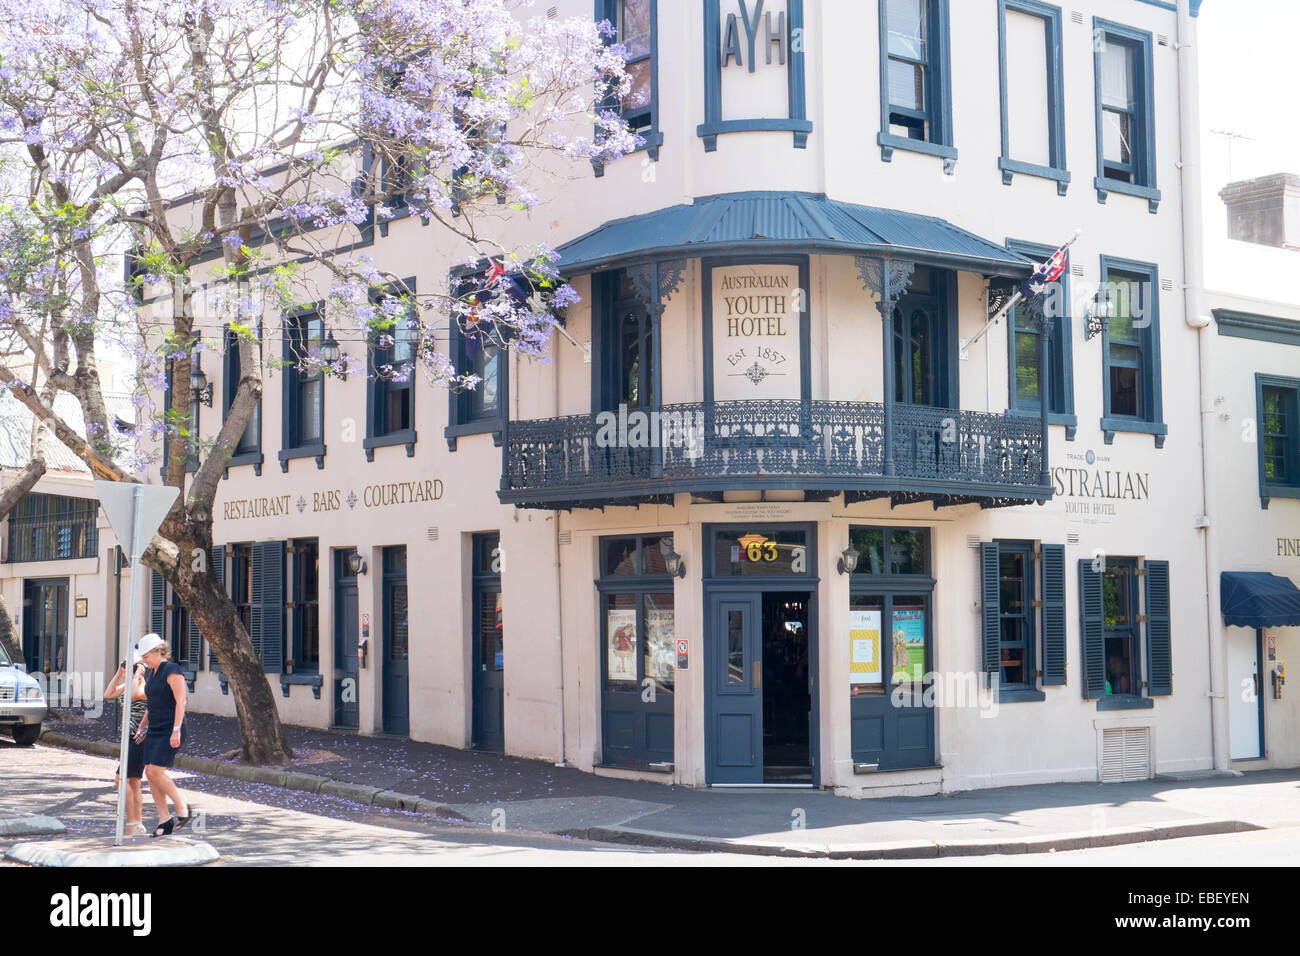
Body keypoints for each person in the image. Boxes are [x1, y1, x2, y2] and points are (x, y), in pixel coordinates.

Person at [136, 633, 192, 838]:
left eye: (146, 656)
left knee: (156, 772)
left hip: (171, 727)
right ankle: (164, 819)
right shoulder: (150, 673)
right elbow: (151, 703)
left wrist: (176, 729)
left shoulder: (172, 669)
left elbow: (181, 701)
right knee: (150, 773)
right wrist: (143, 726)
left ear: (158, 652)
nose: (144, 660)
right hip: (155, 728)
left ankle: (182, 806)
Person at [102, 658, 148, 836]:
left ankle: (132, 823)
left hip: (138, 737)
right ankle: (138, 824)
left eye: (131, 670)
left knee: (120, 779)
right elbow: (108, 693)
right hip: (128, 737)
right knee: (134, 782)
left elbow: (135, 695)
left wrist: (138, 673)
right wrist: (119, 673)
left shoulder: (144, 687)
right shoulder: (130, 685)